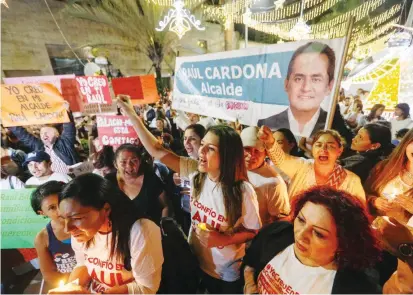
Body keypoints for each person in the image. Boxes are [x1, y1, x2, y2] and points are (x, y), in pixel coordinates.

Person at [117, 95, 261, 293]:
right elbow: (157, 150)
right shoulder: (196, 173)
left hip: (225, 272)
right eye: (203, 145)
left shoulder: (242, 190)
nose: (201, 151)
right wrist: (132, 114)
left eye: (210, 148)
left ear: (227, 155)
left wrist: (223, 240)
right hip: (194, 259)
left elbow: (254, 231)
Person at [243, 187, 382, 294]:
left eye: (318, 233)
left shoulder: (354, 288)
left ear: (344, 243)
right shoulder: (278, 234)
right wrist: (250, 285)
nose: (301, 235)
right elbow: (250, 263)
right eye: (301, 220)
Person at [57, 174, 163, 294]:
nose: (67, 228)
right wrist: (71, 288)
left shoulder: (140, 231)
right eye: (63, 218)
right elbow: (83, 264)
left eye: (77, 218)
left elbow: (146, 288)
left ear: (106, 209)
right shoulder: (80, 233)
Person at [258, 126, 366, 202]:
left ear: (340, 150)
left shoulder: (352, 181)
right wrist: (270, 142)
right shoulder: (302, 166)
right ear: (313, 149)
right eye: (318, 145)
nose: (323, 149)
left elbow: (358, 212)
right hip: (293, 225)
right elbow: (281, 159)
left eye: (330, 146)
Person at [365, 128, 413, 294]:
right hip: (369, 238)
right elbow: (362, 193)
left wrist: (408, 212)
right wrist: (374, 201)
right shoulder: (386, 167)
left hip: (399, 252)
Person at [257, 42, 336, 137]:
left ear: (329, 86)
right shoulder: (266, 125)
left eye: (316, 79)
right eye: (298, 79)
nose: (306, 88)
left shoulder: (335, 127)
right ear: (286, 84)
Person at [105, 144, 172, 224]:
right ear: (116, 164)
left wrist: (163, 227)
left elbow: (166, 206)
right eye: (123, 162)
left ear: (140, 161)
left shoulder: (150, 179)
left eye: (134, 161)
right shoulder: (109, 181)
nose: (129, 166)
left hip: (150, 232)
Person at [31, 181, 76, 289]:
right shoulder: (43, 238)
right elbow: (49, 274)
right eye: (52, 207)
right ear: (42, 212)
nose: (60, 210)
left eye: (61, 202)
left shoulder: (87, 224)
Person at [241, 126, 290, 225]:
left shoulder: (275, 184)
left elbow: (281, 223)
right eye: (247, 149)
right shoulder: (232, 166)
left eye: (257, 151)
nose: (251, 155)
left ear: (265, 153)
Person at [9, 111, 79, 174]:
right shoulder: (39, 146)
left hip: (70, 178)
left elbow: (69, 128)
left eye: (47, 132)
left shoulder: (65, 142)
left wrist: (67, 112)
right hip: (50, 181)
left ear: (57, 135)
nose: (44, 135)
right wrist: (9, 121)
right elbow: (23, 135)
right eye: (42, 133)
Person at [173, 124, 206, 234]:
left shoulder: (209, 165)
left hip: (204, 218)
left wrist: (196, 192)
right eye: (185, 138)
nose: (186, 143)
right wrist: (176, 181)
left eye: (192, 139)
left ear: (203, 141)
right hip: (187, 212)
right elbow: (181, 189)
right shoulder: (185, 161)